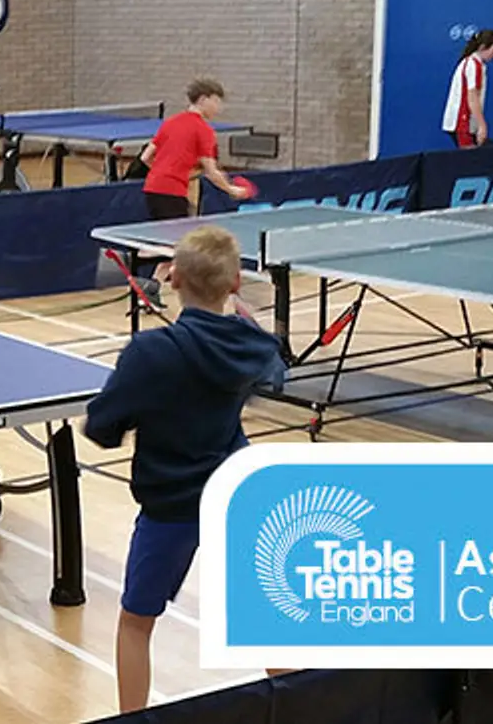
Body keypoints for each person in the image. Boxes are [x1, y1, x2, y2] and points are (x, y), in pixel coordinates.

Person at [80, 225, 287, 714]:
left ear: (172, 278)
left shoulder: (150, 352)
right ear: (235, 282)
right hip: (235, 497)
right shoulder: (252, 346)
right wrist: (246, 323)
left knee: (136, 623)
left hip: (171, 507)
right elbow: (276, 373)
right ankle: (311, 708)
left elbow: (103, 428)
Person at [138, 78, 251, 222]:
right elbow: (211, 172)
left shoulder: (170, 122)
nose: (219, 108)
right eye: (216, 102)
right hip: (172, 193)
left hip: (151, 189)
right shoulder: (204, 130)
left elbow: (145, 157)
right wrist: (231, 189)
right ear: (203, 99)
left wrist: (166, 172)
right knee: (177, 235)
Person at [443, 29, 493, 149]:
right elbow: (472, 97)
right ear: (482, 47)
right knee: (471, 158)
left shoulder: (473, 63)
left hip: (465, 123)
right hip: (463, 122)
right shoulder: (474, 65)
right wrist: (482, 125)